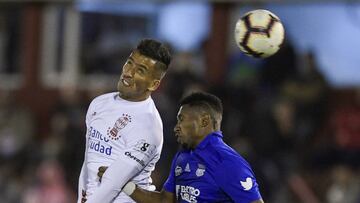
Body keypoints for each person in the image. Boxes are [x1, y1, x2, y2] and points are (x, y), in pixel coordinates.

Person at [104, 92, 264, 202]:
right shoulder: (183, 157)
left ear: (204, 121)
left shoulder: (228, 162)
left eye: (182, 119)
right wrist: (123, 183)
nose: (176, 127)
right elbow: (164, 201)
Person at [77, 38, 171, 203]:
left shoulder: (148, 128)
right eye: (129, 63)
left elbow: (112, 184)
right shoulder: (99, 103)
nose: (128, 72)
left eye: (140, 71)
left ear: (154, 85)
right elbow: (89, 162)